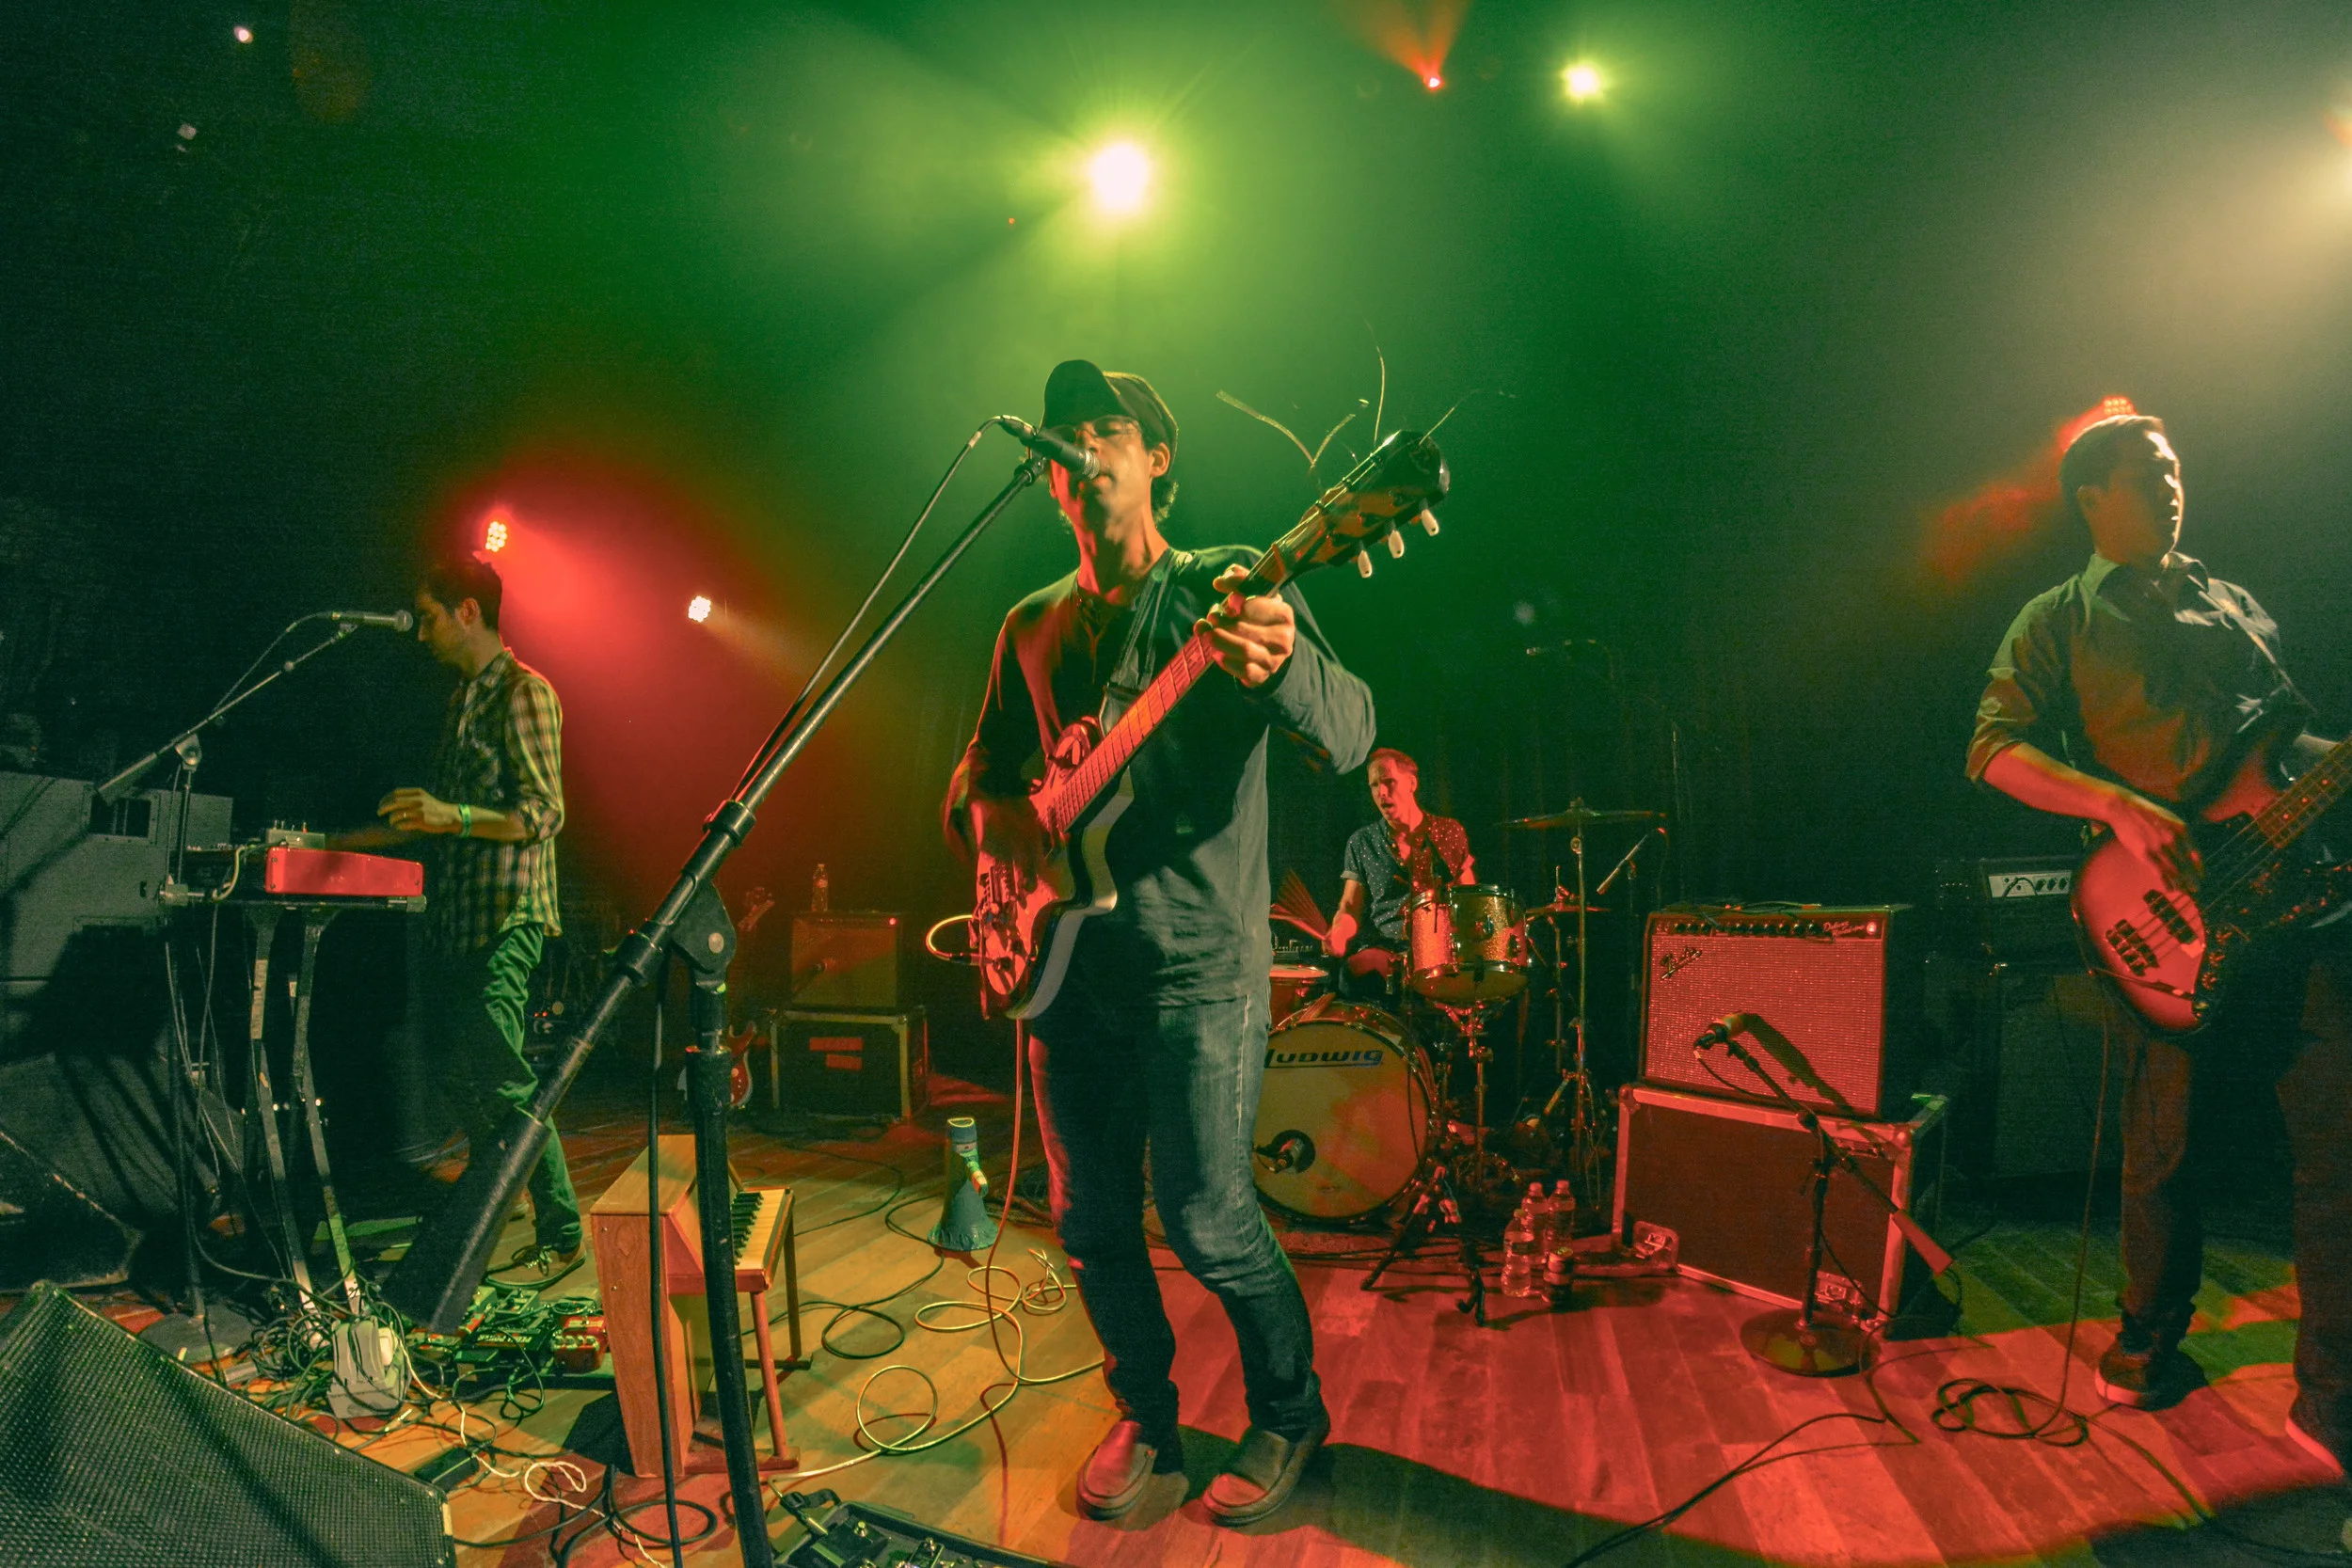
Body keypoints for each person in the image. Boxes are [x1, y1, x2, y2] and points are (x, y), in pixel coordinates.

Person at [946, 359, 1375, 1525]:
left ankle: (1288, 1411)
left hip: (1199, 970)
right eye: (1065, 438)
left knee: (1207, 1216)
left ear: (1156, 459)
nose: (1082, 450)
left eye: (1108, 429)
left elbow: (1350, 732)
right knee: (1087, 1220)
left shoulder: (1227, 591)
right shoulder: (1029, 624)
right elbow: (978, 775)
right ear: (1050, 482)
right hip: (1064, 970)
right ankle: (1146, 1409)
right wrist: (1012, 836)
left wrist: (1284, 664)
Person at [1969, 413, 2350, 1481]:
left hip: (2298, 902)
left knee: (2338, 1152)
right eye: (2151, 474)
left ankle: (2331, 1394)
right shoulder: (2057, 617)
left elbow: (2283, 745)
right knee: (2163, 1151)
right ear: (2093, 493)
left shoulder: (2233, 602)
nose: (2175, 487)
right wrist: (2120, 809)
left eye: (2177, 469)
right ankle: (2145, 1338)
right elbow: (1990, 747)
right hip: (2162, 912)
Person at [343, 554, 580, 1277]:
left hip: (508, 914)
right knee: (457, 1070)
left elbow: (545, 812)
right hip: (456, 919)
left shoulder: (525, 691)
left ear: (469, 610)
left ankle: (564, 1225)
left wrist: (457, 813)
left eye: (430, 616)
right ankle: (496, 1187)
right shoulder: (461, 702)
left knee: (500, 1073)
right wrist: (331, 843)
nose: (421, 633)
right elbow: (434, 823)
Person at [1324, 746, 1475, 1001]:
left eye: (1388, 782)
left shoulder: (1449, 832)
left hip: (1442, 949)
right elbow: (1350, 907)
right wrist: (1338, 931)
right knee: (1352, 974)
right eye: (1374, 786)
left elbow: (1471, 898)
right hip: (1389, 950)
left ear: (1411, 783)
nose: (1381, 793)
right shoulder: (1362, 842)